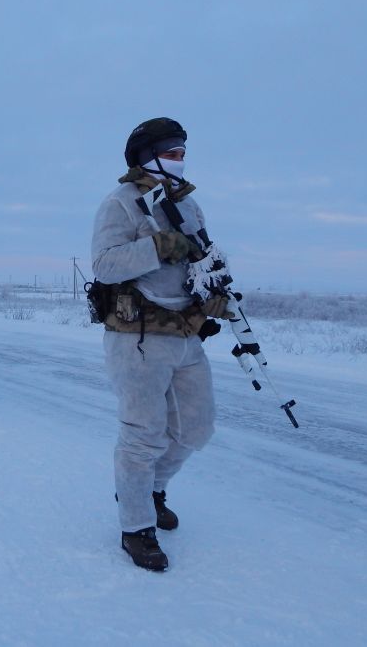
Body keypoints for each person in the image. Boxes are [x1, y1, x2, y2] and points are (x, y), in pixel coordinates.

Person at [91, 117, 232, 572]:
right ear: (145, 154)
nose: (180, 156)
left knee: (197, 427)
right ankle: (136, 527)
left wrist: (213, 291)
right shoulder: (121, 204)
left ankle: (150, 488)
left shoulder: (188, 205)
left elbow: (201, 258)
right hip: (138, 337)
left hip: (186, 333)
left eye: (182, 149)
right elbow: (106, 265)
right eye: (171, 149)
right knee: (143, 433)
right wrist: (159, 246)